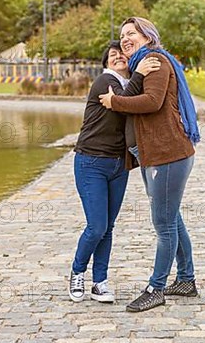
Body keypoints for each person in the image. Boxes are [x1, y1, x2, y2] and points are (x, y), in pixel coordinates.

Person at [99, 17, 200, 313]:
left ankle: (156, 288)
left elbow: (152, 102)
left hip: (167, 154)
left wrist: (115, 101)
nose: (125, 38)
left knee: (164, 224)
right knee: (173, 218)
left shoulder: (154, 60)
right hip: (153, 154)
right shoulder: (140, 65)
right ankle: (185, 280)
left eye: (132, 33)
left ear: (147, 36)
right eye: (122, 35)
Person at [69, 40, 160, 303]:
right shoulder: (104, 82)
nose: (118, 56)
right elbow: (124, 101)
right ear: (106, 63)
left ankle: (100, 283)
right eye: (112, 55)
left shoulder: (131, 82)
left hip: (118, 165)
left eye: (122, 53)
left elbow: (141, 102)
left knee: (108, 227)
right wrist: (140, 72)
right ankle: (77, 272)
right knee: (96, 226)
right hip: (91, 162)